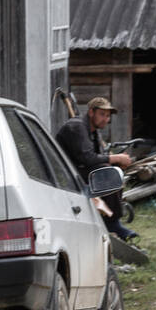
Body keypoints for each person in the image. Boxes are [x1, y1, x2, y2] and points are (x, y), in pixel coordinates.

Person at [55, 96, 138, 240]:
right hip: (64, 174)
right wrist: (116, 158)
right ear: (91, 112)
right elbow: (88, 158)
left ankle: (111, 219)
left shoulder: (94, 132)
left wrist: (117, 162)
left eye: (107, 116)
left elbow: (98, 157)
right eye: (102, 114)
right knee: (107, 173)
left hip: (78, 171)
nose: (105, 119)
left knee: (111, 171)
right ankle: (112, 224)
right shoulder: (77, 126)